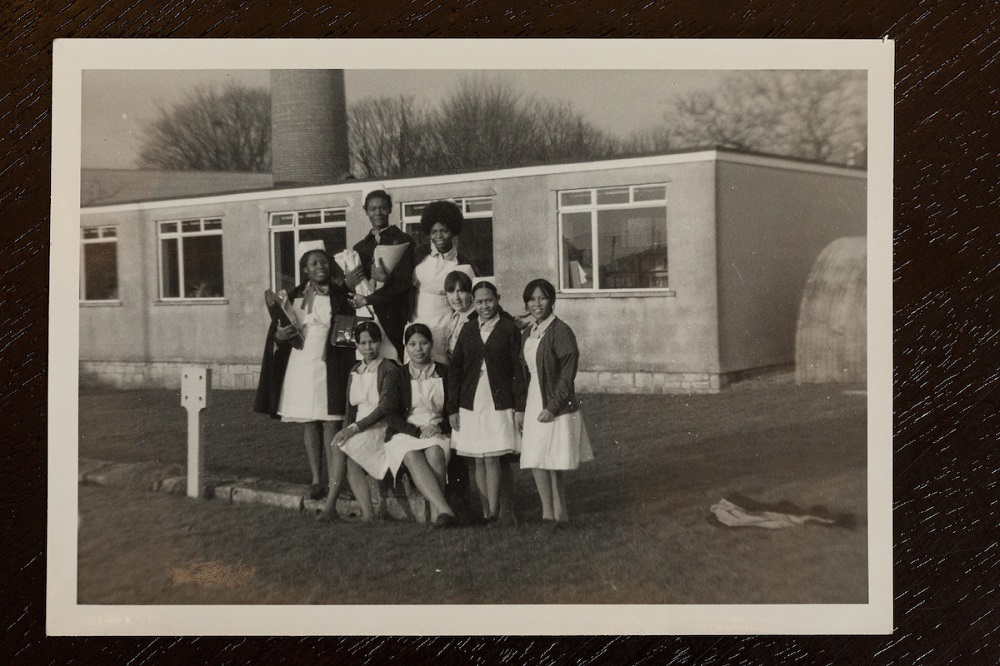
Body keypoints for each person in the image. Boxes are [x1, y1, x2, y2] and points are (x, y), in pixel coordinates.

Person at [253, 242, 356, 504]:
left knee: (331, 420)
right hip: (300, 362)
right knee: (309, 421)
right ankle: (316, 480)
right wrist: (280, 334)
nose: (320, 267)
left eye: (323, 262)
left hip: (329, 362)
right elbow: (279, 329)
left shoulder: (340, 293)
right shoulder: (293, 296)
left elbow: (347, 331)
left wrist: (336, 351)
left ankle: (335, 482)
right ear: (305, 269)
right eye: (314, 264)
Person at [447, 281, 525, 525]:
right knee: (478, 458)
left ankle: (498, 513)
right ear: (473, 301)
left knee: (494, 457)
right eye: (479, 301)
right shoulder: (468, 329)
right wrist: (452, 408)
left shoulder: (508, 329)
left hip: (498, 400)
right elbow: (456, 370)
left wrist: (520, 407)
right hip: (470, 401)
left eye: (489, 300)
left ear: (498, 299)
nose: (484, 306)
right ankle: (486, 512)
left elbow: (517, 370)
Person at [518, 278, 594, 525]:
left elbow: (567, 374)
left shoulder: (561, 331)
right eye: (531, 299)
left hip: (555, 401)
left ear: (552, 301)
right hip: (533, 397)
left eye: (542, 298)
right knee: (535, 457)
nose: (536, 303)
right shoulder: (528, 332)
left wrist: (552, 406)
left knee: (553, 459)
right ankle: (546, 513)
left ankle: (560, 513)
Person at [383, 324, 457, 527]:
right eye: (413, 344)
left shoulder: (444, 372)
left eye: (424, 343)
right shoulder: (397, 376)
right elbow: (391, 414)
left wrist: (440, 427)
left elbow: (453, 409)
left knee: (435, 452)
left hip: (436, 428)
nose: (419, 349)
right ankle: (444, 510)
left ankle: (438, 514)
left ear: (432, 345)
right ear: (406, 347)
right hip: (406, 431)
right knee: (411, 454)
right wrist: (416, 431)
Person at [327, 321, 399, 522]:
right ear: (356, 345)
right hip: (357, 426)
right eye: (363, 343)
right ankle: (356, 511)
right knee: (339, 445)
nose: (368, 348)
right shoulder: (356, 369)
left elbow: (385, 408)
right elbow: (350, 409)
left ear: (380, 341)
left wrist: (354, 429)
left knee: (346, 448)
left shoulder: (389, 368)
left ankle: (337, 507)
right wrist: (346, 429)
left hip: (380, 426)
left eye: (372, 342)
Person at [345, 190, 414, 360]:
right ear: (366, 211)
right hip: (367, 312)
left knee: (393, 359)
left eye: (382, 208)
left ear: (390, 209)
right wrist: (350, 280)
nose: (378, 213)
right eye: (373, 209)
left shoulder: (405, 240)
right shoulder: (360, 247)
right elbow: (354, 285)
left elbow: (406, 282)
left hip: (394, 314)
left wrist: (386, 279)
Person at [411, 200, 478, 364]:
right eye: (434, 232)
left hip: (446, 323)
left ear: (453, 231)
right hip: (419, 320)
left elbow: (478, 293)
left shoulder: (462, 261)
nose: (439, 236)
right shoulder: (417, 256)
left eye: (444, 231)